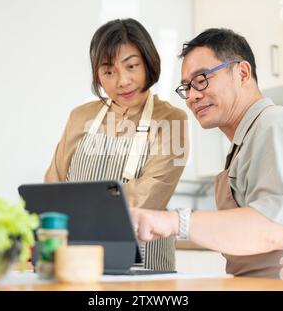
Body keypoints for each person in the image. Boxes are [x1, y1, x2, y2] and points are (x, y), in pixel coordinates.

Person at [130, 28, 283, 281]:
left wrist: (176, 222)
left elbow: (279, 229)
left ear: (242, 73)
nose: (192, 95)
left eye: (202, 79)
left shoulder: (277, 125)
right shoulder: (247, 141)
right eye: (186, 87)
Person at [44, 18, 189, 271]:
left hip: (146, 259)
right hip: (77, 258)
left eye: (132, 66)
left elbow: (150, 196)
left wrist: (75, 211)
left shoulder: (172, 120)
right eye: (109, 71)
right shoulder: (80, 116)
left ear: (148, 62)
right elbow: (53, 186)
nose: (122, 81)